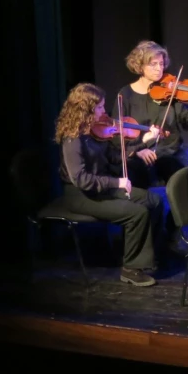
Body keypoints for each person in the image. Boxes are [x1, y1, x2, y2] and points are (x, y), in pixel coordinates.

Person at [54, 83, 164, 286]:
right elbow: (81, 179)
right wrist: (117, 182)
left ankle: (145, 256)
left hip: (100, 188)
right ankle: (131, 269)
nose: (105, 112)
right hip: (79, 195)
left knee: (154, 200)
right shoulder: (73, 138)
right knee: (136, 213)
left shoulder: (95, 131)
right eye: (100, 107)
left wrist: (140, 147)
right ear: (86, 109)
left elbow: (113, 157)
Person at [117, 40, 188, 188]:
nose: (159, 69)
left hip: (170, 153)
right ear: (140, 65)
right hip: (139, 154)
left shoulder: (169, 91)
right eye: (153, 64)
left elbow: (187, 120)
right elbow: (117, 132)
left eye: (161, 64)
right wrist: (137, 150)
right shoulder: (126, 95)